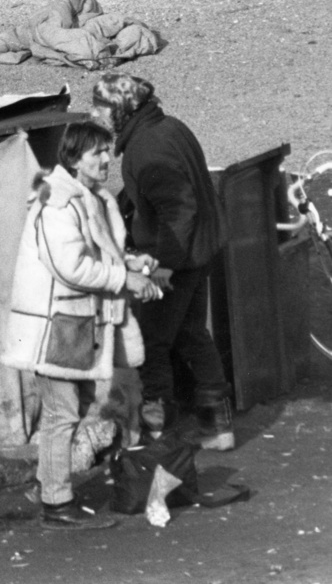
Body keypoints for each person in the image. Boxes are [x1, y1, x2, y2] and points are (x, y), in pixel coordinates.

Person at [1, 120, 163, 531]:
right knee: (61, 414)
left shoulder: (90, 198)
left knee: (74, 407)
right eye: (98, 153)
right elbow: (69, 266)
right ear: (74, 159)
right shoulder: (58, 204)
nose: (109, 159)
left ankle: (50, 486)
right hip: (56, 328)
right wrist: (124, 279)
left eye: (109, 150)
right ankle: (56, 504)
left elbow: (98, 253)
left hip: (76, 325)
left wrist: (130, 263)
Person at [91, 73, 234, 450]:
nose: (96, 116)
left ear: (121, 109)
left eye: (102, 107)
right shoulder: (169, 127)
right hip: (201, 249)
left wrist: (162, 267)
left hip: (178, 258)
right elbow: (172, 194)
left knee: (153, 342)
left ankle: (160, 433)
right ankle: (217, 426)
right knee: (191, 333)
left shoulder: (146, 149)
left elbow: (178, 210)